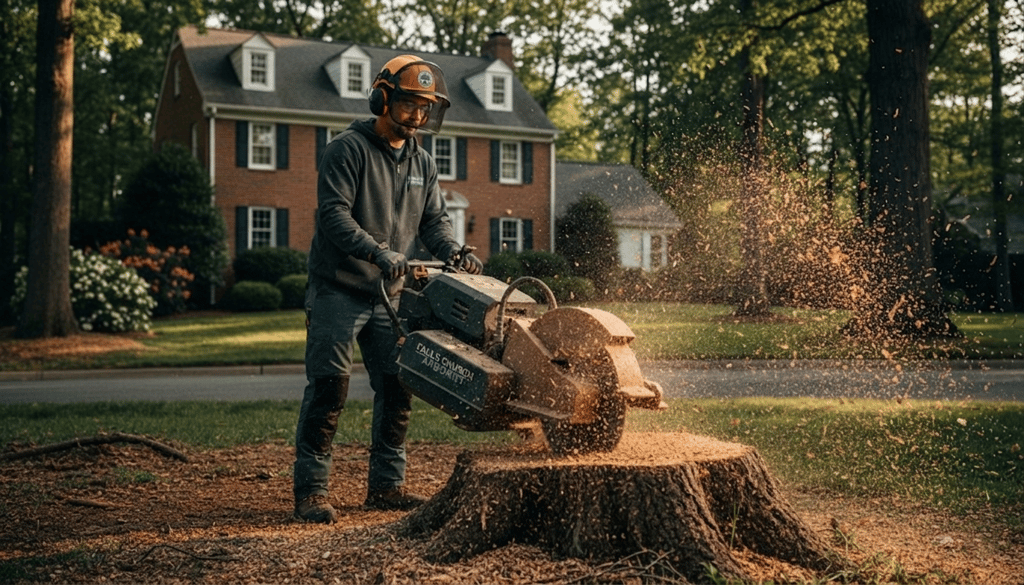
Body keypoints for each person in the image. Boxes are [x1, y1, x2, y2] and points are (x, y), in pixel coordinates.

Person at [293, 55, 483, 523]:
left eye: (426, 108)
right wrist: (378, 251)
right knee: (329, 387)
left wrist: (454, 252)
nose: (418, 115)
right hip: (338, 288)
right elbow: (334, 215)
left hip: (390, 294)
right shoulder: (346, 149)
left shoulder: (422, 160)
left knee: (398, 386)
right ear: (382, 98)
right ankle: (312, 492)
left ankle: (386, 487)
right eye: (410, 104)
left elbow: (433, 222)